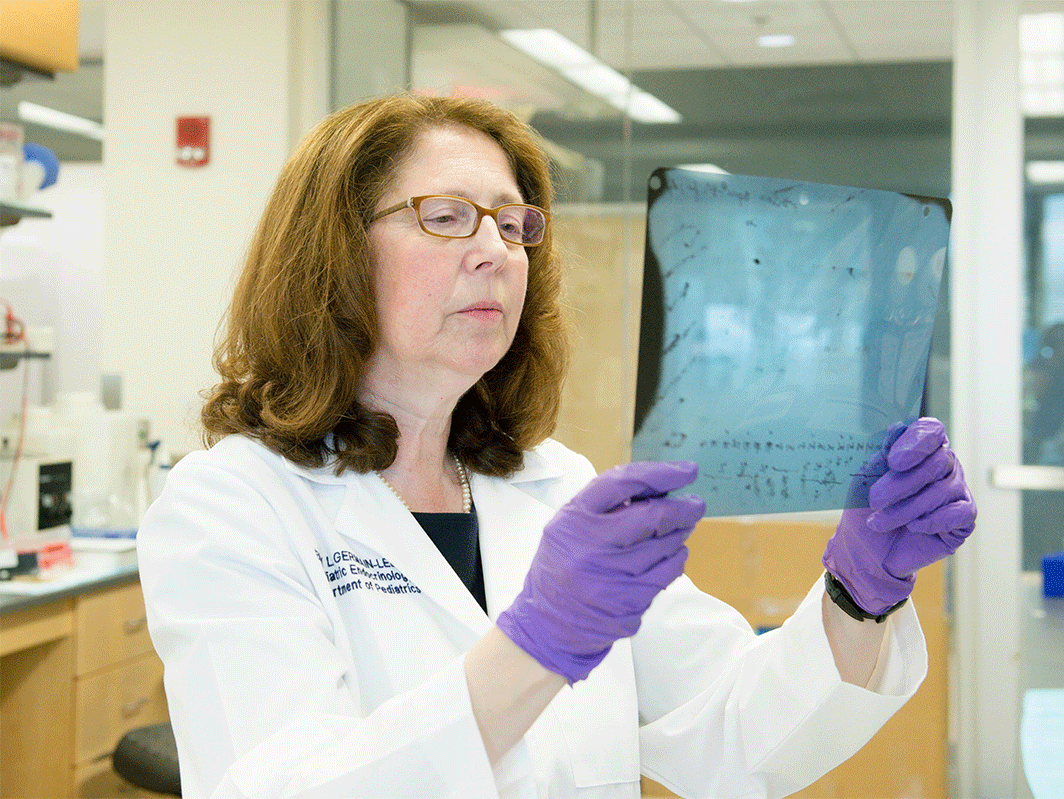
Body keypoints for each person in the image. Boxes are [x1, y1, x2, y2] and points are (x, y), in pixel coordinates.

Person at [137, 93, 977, 799]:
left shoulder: (554, 486)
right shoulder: (232, 507)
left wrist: (861, 590)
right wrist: (537, 644)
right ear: (333, 256)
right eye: (446, 218)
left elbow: (734, 733)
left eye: (513, 225)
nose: (495, 252)